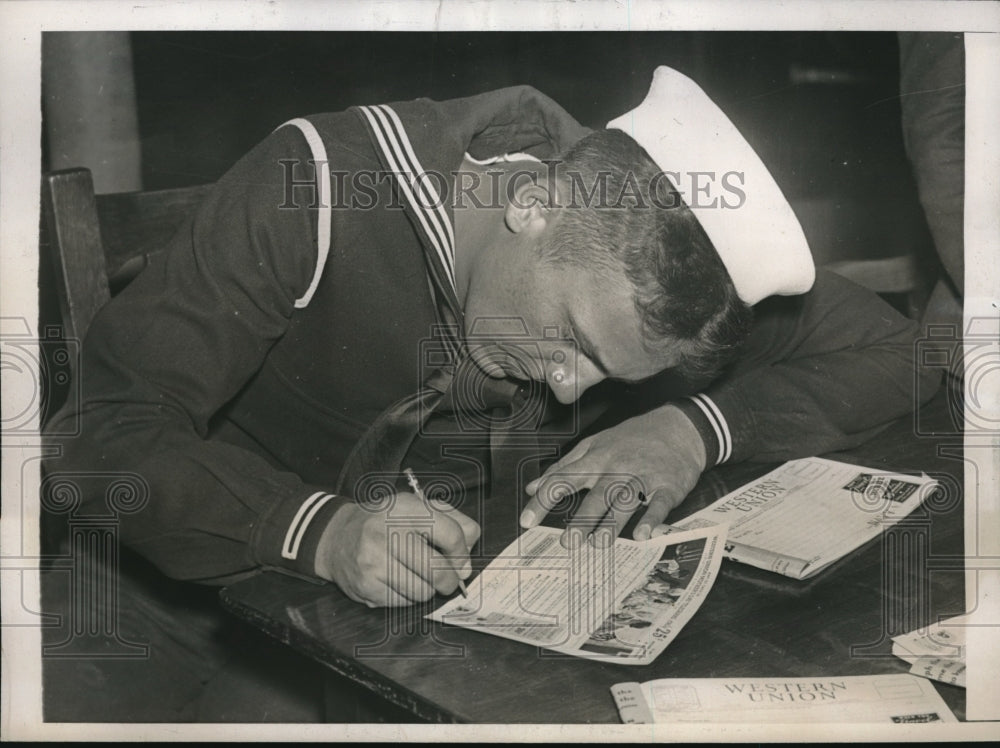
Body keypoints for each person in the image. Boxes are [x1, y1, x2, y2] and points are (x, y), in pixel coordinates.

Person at [42, 66, 938, 719]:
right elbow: (95, 436)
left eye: (607, 376)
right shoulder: (312, 185)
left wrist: (691, 427)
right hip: (167, 582)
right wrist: (323, 531)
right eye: (574, 342)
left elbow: (901, 350)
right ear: (533, 203)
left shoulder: (649, 240)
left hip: (426, 629)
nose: (566, 387)